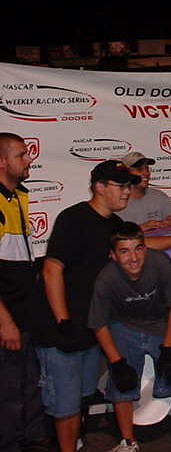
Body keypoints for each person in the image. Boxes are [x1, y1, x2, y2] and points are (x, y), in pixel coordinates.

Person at [31, 160, 140, 452]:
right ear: (99, 187)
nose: (127, 191)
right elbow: (51, 270)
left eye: (129, 186)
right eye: (120, 185)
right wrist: (63, 321)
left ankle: (75, 443)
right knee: (65, 405)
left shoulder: (115, 225)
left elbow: (137, 247)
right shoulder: (73, 218)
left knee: (82, 396)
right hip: (60, 327)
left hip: (91, 326)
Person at [88, 222, 171, 451]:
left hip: (160, 324)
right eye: (124, 251)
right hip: (123, 326)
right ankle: (128, 442)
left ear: (145, 248)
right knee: (121, 383)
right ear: (113, 255)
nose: (133, 258)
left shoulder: (160, 263)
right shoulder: (106, 278)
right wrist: (117, 362)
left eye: (138, 249)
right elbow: (98, 324)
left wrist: (168, 348)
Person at [0, 132, 50, 451]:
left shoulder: (19, 195)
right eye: (21, 154)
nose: (29, 158)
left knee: (30, 383)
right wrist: (5, 321)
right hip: (7, 315)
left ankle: (34, 439)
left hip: (25, 311)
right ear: (2, 162)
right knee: (8, 392)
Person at [119, 152, 171, 231]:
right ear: (125, 173)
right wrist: (140, 228)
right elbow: (112, 234)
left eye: (147, 169)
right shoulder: (116, 201)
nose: (146, 173)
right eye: (139, 169)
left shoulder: (158, 196)